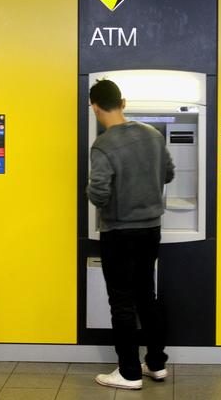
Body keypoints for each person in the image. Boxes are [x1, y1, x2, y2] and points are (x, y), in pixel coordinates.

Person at [87, 79, 175, 390]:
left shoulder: (103, 145)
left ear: (95, 108)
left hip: (119, 233)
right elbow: (169, 173)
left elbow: (98, 193)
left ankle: (128, 371)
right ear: (123, 103)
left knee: (122, 302)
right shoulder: (153, 135)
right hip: (151, 229)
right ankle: (156, 363)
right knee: (146, 297)